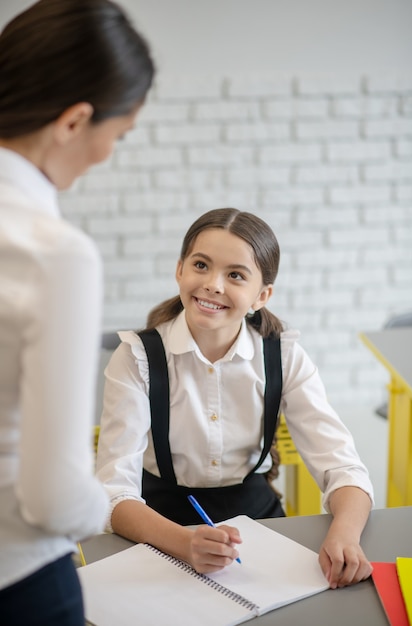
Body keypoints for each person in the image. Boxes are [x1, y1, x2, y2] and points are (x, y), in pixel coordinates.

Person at [96, 208, 374, 588]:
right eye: (201, 265)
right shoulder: (136, 358)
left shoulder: (284, 356)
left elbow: (344, 468)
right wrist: (184, 541)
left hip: (256, 518)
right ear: (180, 270)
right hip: (159, 523)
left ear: (262, 295)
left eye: (235, 275)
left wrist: (345, 534)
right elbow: (114, 494)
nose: (213, 284)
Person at [0, 0, 154, 624]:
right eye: (115, 137)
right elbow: (54, 497)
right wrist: (113, 509)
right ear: (73, 122)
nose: (105, 157)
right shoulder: (53, 253)